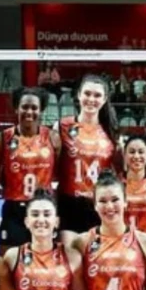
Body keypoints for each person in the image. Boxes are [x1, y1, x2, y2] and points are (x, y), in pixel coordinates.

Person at [54, 74, 120, 236]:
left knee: (95, 258)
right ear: (78, 95)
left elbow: (118, 172)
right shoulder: (62, 126)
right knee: (72, 257)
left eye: (97, 95)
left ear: (104, 100)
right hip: (69, 202)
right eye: (87, 93)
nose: (91, 99)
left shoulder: (110, 132)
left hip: (99, 203)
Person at [0, 87, 57, 252]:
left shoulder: (52, 137)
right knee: (8, 264)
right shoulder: (4, 137)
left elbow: (60, 170)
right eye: (24, 107)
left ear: (41, 110)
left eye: (34, 108)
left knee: (44, 261)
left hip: (42, 209)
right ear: (16, 108)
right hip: (14, 208)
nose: (29, 111)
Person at [122, 137, 146, 238]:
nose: (136, 156)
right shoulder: (116, 183)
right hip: (122, 244)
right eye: (132, 152)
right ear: (124, 156)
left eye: (141, 152)